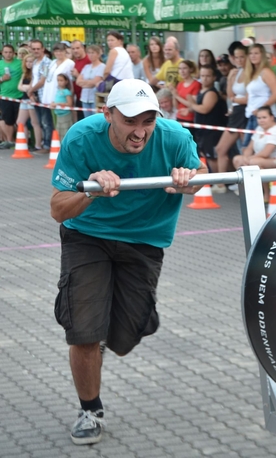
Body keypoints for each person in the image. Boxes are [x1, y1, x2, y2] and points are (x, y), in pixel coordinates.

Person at [50, 78, 206, 445]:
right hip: (88, 237)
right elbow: (58, 208)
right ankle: (90, 409)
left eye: (148, 121)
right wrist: (89, 190)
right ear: (107, 114)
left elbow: (199, 176)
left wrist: (189, 179)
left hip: (144, 240)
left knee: (123, 337)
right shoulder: (81, 138)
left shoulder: (175, 137)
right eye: (130, 121)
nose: (140, 132)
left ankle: (104, 334)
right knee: (84, 332)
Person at [191, 65, 229, 183]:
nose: (205, 78)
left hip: (212, 130)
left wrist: (190, 103)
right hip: (203, 130)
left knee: (212, 156)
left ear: (214, 77)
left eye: (208, 76)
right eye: (202, 76)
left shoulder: (211, 93)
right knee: (207, 155)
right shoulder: (201, 91)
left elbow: (204, 109)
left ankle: (220, 182)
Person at [232, 105, 276, 170]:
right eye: (259, 118)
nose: (261, 120)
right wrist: (245, 157)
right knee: (237, 159)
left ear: (272, 117)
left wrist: (249, 159)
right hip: (261, 158)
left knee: (254, 162)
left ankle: (262, 179)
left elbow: (265, 153)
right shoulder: (259, 128)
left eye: (264, 117)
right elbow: (250, 148)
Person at [215, 45, 248, 177]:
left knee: (245, 150)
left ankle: (246, 181)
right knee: (221, 149)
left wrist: (235, 99)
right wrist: (230, 79)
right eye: (236, 57)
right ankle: (221, 182)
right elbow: (230, 95)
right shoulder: (236, 71)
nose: (238, 60)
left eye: (242, 57)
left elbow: (247, 98)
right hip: (236, 111)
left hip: (244, 112)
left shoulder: (250, 72)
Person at [244, 43, 276, 146]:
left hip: (265, 116)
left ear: (262, 55)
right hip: (252, 115)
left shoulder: (266, 72)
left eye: (256, 53)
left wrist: (261, 109)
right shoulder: (252, 73)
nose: (253, 56)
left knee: (259, 147)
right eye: (251, 53)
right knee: (246, 147)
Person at [28, 39, 53, 152]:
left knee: (46, 121)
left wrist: (30, 90)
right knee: (39, 121)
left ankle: (48, 145)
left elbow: (42, 80)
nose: (36, 51)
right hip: (35, 94)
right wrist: (31, 92)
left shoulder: (47, 62)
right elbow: (33, 78)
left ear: (43, 49)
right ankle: (43, 143)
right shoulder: (34, 62)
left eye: (38, 49)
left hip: (44, 95)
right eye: (34, 49)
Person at [16, 54, 44, 151]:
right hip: (24, 99)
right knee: (20, 122)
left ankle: (38, 145)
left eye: (31, 61)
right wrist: (25, 88)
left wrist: (25, 88)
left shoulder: (35, 73)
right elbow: (19, 87)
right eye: (27, 61)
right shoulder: (24, 74)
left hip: (32, 99)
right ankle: (24, 143)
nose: (28, 63)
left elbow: (31, 87)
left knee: (35, 123)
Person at [0, 44, 23, 149]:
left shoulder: (20, 63)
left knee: (19, 120)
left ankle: (21, 140)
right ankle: (10, 141)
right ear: (2, 53)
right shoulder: (0, 64)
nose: (8, 54)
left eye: (10, 52)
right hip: (5, 96)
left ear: (14, 53)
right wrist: (2, 79)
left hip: (19, 96)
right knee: (8, 120)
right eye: (6, 52)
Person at [170, 60, 201, 127]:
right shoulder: (180, 84)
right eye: (180, 69)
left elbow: (192, 105)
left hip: (190, 118)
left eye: (184, 68)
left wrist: (177, 96)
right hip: (179, 117)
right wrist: (174, 94)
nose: (182, 71)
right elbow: (176, 106)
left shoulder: (196, 84)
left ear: (191, 69)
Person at [70, 41, 90, 120]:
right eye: (73, 49)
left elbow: (91, 81)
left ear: (83, 48)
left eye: (77, 48)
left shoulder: (89, 60)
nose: (75, 51)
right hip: (77, 96)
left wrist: (77, 75)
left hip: (87, 98)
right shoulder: (75, 61)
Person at [53, 73, 75, 140]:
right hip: (59, 115)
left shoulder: (66, 92)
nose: (59, 82)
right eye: (58, 80)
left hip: (65, 115)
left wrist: (58, 104)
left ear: (66, 81)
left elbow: (70, 104)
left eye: (61, 80)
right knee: (59, 133)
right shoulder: (58, 91)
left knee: (65, 132)